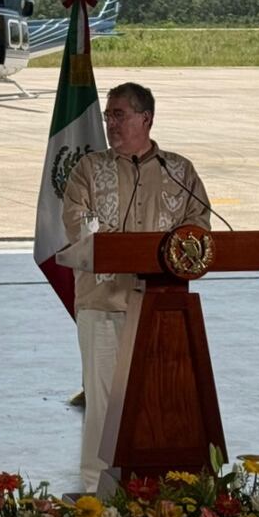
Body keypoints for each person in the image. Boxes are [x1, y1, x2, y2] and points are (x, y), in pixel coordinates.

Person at [62, 82, 211, 492]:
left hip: (161, 311)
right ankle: (95, 493)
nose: (111, 122)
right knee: (103, 404)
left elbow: (199, 227)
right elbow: (76, 222)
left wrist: (166, 250)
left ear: (146, 118)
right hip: (102, 303)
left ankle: (157, 489)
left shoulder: (179, 171)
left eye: (119, 114)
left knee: (160, 403)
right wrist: (118, 248)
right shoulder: (89, 169)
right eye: (109, 115)